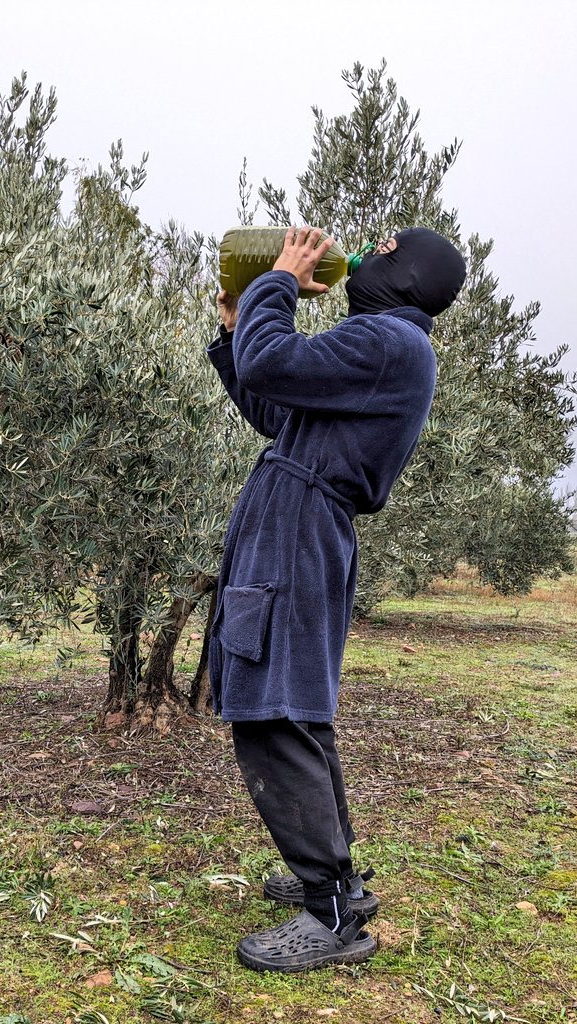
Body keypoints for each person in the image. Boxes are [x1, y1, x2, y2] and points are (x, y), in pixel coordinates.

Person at [207, 225, 467, 972]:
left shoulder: (389, 340)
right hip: (294, 522)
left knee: (273, 714)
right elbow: (271, 402)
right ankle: (335, 884)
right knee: (294, 712)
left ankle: (331, 916)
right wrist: (233, 329)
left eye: (386, 247)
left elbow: (272, 356)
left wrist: (277, 282)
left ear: (409, 276)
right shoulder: (378, 346)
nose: (368, 254)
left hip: (296, 529)